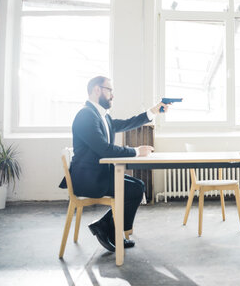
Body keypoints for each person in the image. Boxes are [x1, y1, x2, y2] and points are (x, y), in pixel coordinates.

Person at [59, 76, 169, 252]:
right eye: (109, 90)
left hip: (99, 175)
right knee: (133, 190)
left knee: (138, 186)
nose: (112, 95)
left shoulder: (100, 116)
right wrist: (135, 151)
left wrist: (152, 112)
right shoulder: (86, 116)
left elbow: (126, 124)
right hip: (89, 180)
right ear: (97, 90)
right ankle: (111, 231)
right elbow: (104, 149)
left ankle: (106, 227)